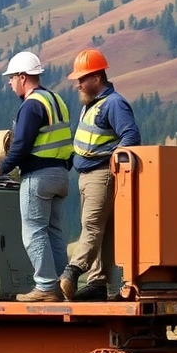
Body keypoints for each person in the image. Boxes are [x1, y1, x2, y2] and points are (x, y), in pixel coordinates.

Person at [0, 51, 73, 302]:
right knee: (54, 232)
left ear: (23, 77)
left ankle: (45, 286)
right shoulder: (56, 100)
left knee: (33, 231)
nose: (10, 83)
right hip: (61, 174)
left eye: (12, 78)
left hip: (38, 176)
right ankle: (63, 284)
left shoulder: (31, 105)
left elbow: (21, 145)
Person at [59, 49, 141, 302]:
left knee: (92, 225)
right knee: (103, 230)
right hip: (87, 175)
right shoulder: (92, 103)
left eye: (82, 79)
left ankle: (74, 270)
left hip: (102, 174)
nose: (77, 85)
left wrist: (113, 160)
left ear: (96, 78)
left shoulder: (114, 103)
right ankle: (99, 283)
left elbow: (131, 136)